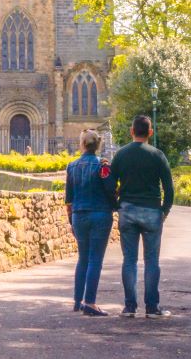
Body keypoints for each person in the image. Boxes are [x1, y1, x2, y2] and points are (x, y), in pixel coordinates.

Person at [108, 114, 174, 318]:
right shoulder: (157, 155)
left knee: (129, 260)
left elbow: (110, 185)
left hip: (128, 210)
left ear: (132, 131)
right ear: (150, 133)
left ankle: (129, 307)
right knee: (152, 261)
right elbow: (169, 188)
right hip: (152, 210)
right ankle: (152, 308)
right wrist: (164, 211)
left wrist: (116, 205)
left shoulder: (120, 155)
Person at [63, 129, 114, 316]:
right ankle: (90, 303)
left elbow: (68, 198)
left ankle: (77, 301)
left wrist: (71, 221)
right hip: (100, 215)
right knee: (95, 260)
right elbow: (111, 189)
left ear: (82, 144)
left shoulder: (72, 166)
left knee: (82, 258)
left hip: (79, 215)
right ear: (98, 145)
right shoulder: (103, 166)